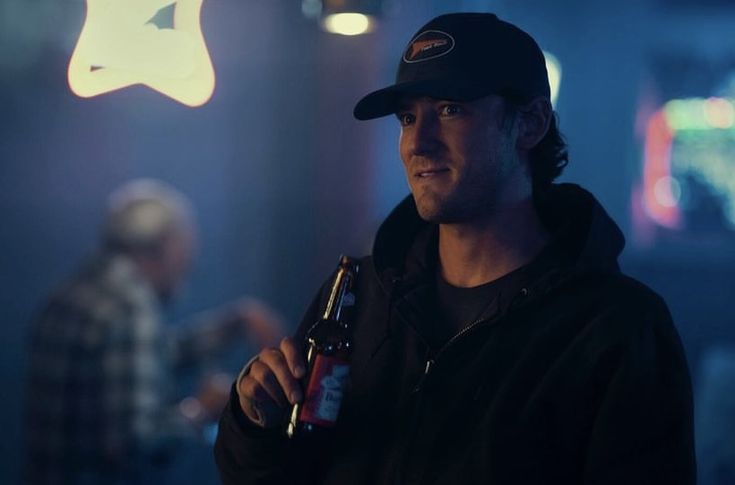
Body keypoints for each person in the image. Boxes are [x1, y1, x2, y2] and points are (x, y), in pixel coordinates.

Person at [214, 13, 695, 484]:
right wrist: (257, 422)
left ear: (530, 123)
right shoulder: (356, 297)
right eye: (407, 117)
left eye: (450, 110)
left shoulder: (616, 326)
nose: (418, 143)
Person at [25, 179, 284, 484]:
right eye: (185, 244)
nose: (190, 261)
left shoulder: (72, 294)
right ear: (164, 245)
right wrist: (201, 409)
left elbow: (153, 353)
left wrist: (234, 323)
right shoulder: (130, 307)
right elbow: (133, 444)